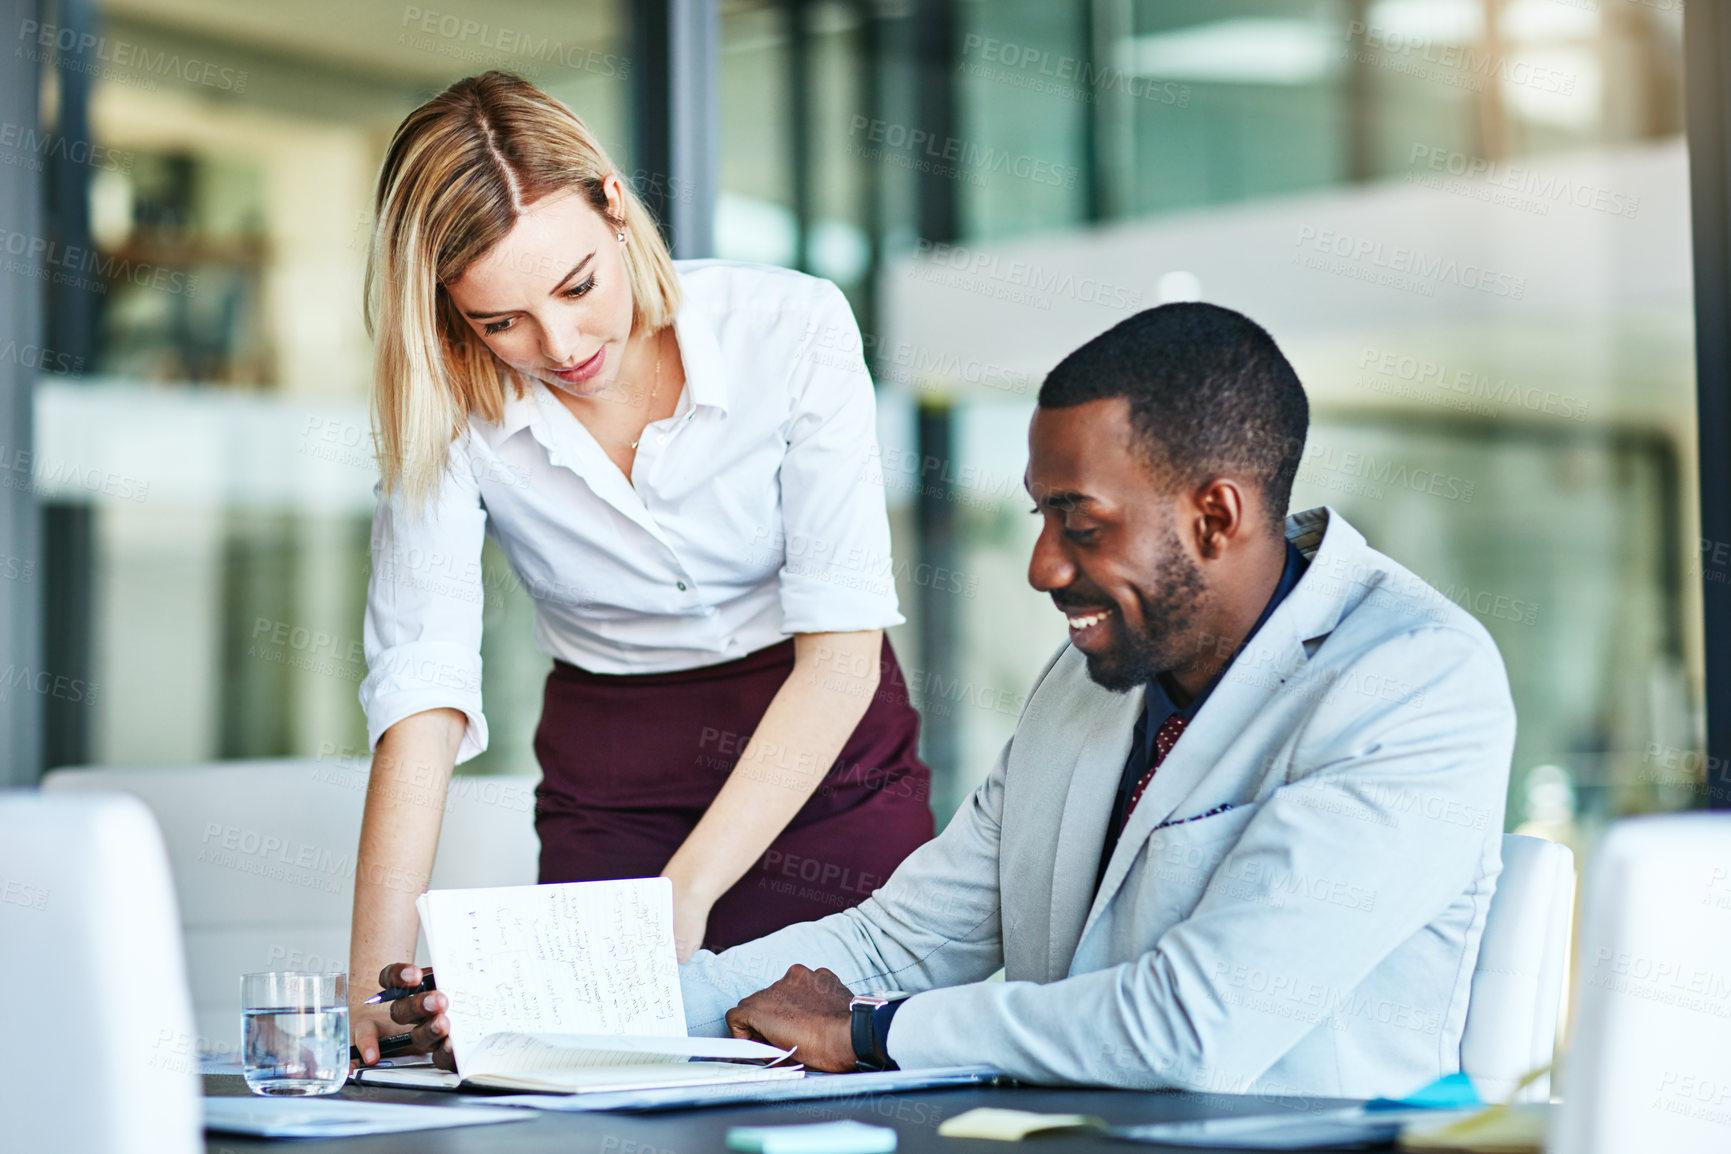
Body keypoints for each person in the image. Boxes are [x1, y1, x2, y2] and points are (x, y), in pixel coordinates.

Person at [383, 302, 1515, 1098]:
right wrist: (556, 1007)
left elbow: (1192, 1024)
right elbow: (902, 934)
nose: (1042, 566)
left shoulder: (1411, 683)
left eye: (1080, 521)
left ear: (1215, 515)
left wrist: (870, 1034)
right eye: (1038, 516)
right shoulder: (1090, 680)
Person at [349, 71, 933, 1065]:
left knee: (850, 1078)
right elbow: (423, 682)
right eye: (502, 322)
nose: (561, 343)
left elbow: (840, 654)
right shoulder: (452, 403)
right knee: (596, 1079)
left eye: (576, 286)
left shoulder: (790, 328)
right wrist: (372, 971)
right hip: (612, 767)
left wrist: (686, 892)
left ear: (614, 203)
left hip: (820, 757)